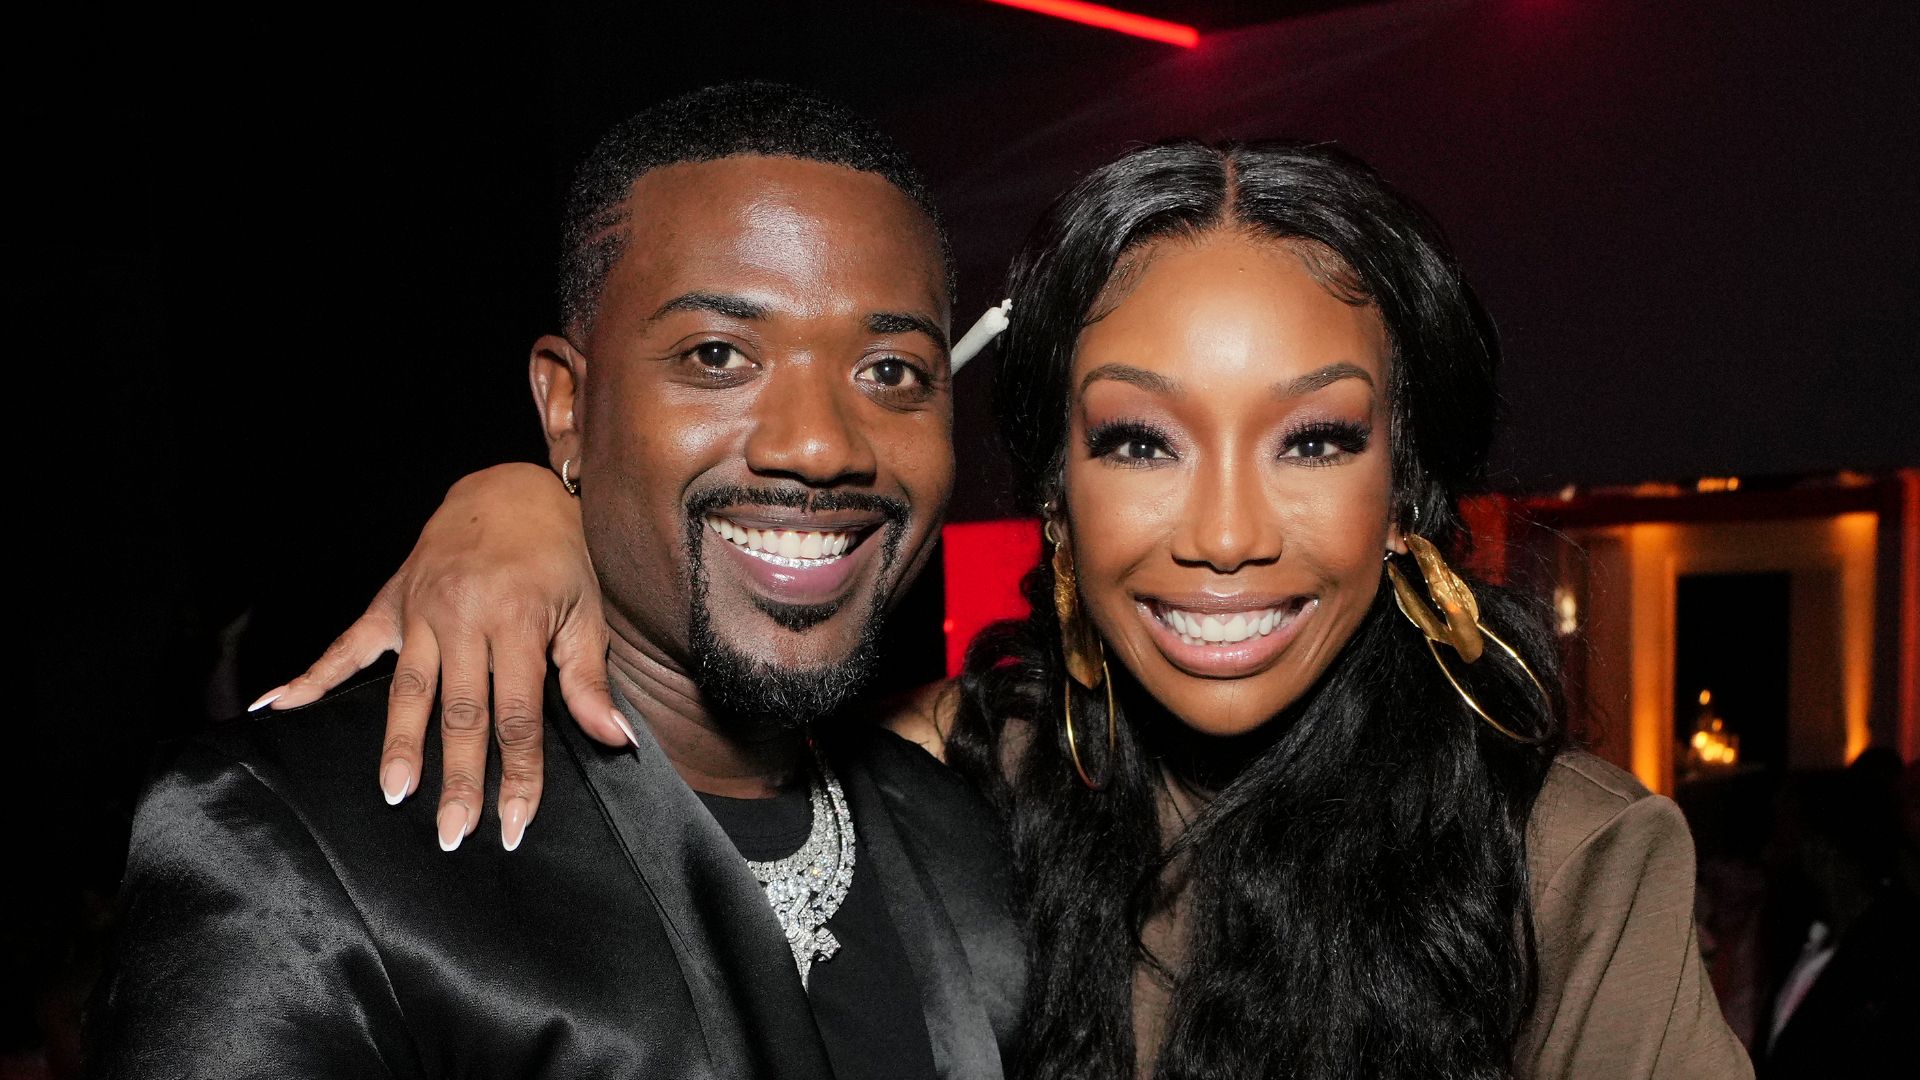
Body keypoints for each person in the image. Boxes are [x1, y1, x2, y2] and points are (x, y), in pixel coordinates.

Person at [265, 141, 1754, 1076]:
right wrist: (524, 505)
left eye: (1315, 439)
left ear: (1405, 488)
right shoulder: (954, 779)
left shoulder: (1564, 858)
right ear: (1051, 494)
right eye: (1139, 442)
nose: (1227, 535)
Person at [89, 83, 1023, 1079]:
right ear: (568, 406)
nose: (820, 443)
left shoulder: (965, 845)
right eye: (718, 355)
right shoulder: (309, 842)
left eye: (890, 372)